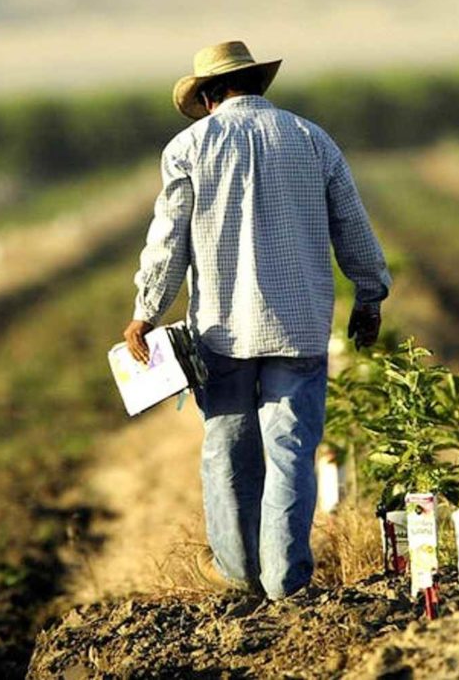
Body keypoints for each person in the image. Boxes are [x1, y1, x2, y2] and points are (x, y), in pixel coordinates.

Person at [122, 41, 391, 600]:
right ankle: (285, 583)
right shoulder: (311, 139)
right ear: (254, 86)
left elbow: (168, 239)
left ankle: (240, 575)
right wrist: (370, 296)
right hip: (299, 325)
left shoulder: (187, 148)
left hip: (221, 330)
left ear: (209, 95)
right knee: (292, 451)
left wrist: (146, 311)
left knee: (226, 451)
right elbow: (352, 226)